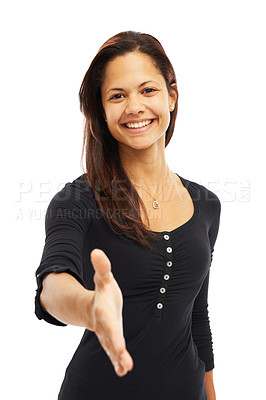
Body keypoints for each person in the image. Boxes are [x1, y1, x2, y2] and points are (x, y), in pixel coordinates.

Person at [34, 30, 221, 400]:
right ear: (101, 112)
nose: (134, 106)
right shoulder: (76, 200)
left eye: (147, 90)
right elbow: (52, 287)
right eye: (117, 96)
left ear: (172, 96)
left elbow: (197, 315)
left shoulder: (207, 205)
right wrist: (90, 307)